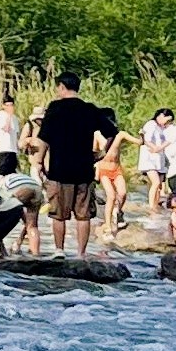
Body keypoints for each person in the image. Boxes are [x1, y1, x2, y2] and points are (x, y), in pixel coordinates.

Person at [32, 69, 118, 262]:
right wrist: (102, 153)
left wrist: (39, 162)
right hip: (84, 169)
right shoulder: (89, 109)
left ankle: (59, 250)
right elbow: (112, 132)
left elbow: (43, 139)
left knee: (58, 214)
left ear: (62, 87)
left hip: (59, 168)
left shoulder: (54, 108)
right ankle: (81, 253)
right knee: (83, 215)